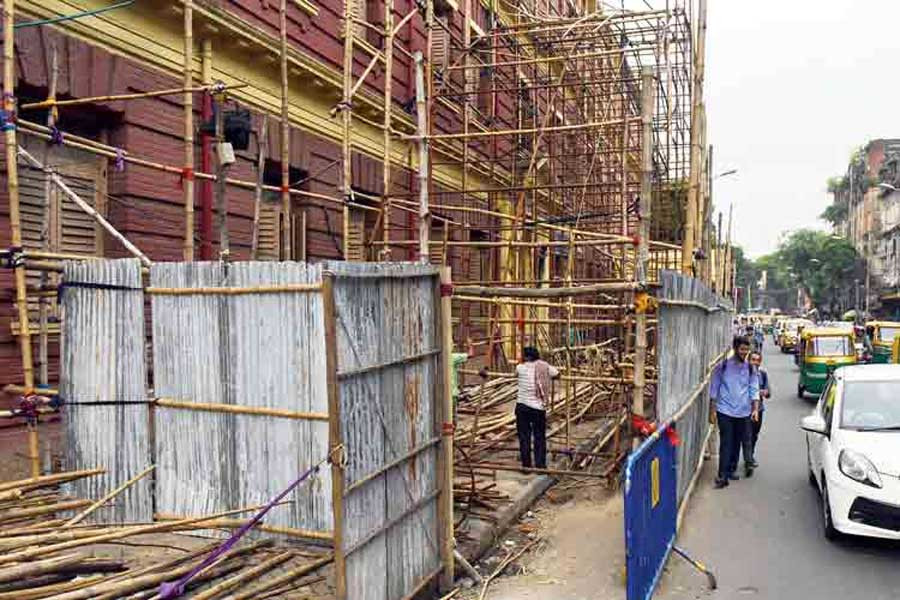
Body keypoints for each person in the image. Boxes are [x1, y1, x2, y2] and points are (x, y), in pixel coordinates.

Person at [709, 336, 760, 488]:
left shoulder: (751, 368)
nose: (745, 352)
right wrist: (712, 411)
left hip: (743, 412)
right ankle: (722, 476)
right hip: (724, 410)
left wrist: (755, 409)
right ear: (735, 348)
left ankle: (731, 469)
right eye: (742, 349)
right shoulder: (723, 366)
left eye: (746, 349)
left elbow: (754, 389)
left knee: (737, 441)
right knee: (726, 442)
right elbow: (714, 389)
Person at [515, 346, 560, 470]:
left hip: (522, 406)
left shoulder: (520, 367)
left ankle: (526, 466)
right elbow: (557, 374)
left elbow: (515, 374)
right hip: (537, 408)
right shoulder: (544, 366)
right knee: (539, 436)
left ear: (526, 357)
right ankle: (540, 465)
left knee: (524, 436)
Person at [742, 351, 770, 472]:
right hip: (744, 410)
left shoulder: (762, 374)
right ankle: (748, 461)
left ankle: (750, 455)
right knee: (746, 435)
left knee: (754, 435)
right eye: (753, 359)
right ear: (748, 360)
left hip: (759, 410)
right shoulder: (742, 374)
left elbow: (768, 392)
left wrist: (765, 392)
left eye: (758, 360)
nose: (755, 362)